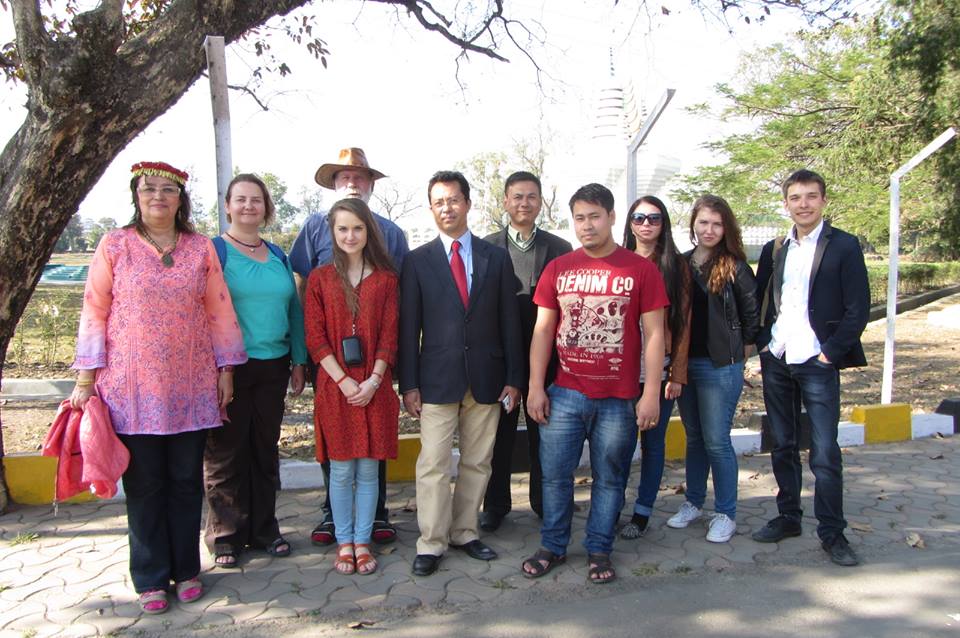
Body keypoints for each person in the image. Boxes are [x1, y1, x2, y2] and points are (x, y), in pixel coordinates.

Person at [70, 161, 247, 615]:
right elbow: (94, 310)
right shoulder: (115, 245)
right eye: (149, 189)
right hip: (131, 390)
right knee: (146, 484)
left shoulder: (199, 248)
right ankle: (150, 578)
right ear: (136, 195)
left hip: (190, 386)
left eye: (168, 190)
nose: (158, 197)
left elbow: (219, 310)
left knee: (187, 482)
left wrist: (226, 368)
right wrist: (86, 378)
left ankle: (187, 570)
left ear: (180, 199)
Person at [522, 183, 668, 584]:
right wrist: (537, 386)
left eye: (594, 217)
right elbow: (542, 331)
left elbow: (655, 334)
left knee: (610, 477)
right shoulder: (559, 268)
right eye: (580, 218)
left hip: (619, 399)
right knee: (554, 476)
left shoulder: (641, 269)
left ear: (611, 217)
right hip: (565, 392)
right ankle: (553, 544)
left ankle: (599, 548)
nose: (587, 226)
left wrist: (650, 392)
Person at [398, 170, 523, 577]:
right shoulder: (417, 262)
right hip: (436, 379)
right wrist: (409, 383)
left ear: (467, 203)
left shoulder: (496, 258)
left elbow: (510, 322)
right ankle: (431, 542)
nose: (447, 207)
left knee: (477, 461)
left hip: (487, 378)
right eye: (438, 202)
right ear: (431, 208)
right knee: (433, 463)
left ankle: (465, 532)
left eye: (453, 199)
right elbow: (409, 327)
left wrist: (515, 378)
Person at [289, 147, 409, 546]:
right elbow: (305, 298)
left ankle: (372, 523)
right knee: (339, 464)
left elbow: (393, 321)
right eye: (345, 177)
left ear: (371, 186)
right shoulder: (313, 231)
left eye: (360, 177)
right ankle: (335, 523)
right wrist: (317, 366)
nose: (352, 183)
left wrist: (378, 378)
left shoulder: (392, 239)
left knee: (370, 463)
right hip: (333, 372)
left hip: (373, 371)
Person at [752, 170, 870, 567]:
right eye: (796, 197)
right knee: (782, 443)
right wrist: (765, 343)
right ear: (785, 203)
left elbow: (858, 308)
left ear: (823, 201)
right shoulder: (775, 248)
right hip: (779, 357)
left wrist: (829, 353)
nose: (803, 203)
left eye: (811, 196)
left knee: (823, 451)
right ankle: (789, 517)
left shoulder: (845, 246)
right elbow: (762, 298)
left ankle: (833, 533)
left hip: (817, 361)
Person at [203, 174, 307, 568]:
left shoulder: (279, 256)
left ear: (266, 208)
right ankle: (225, 534)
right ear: (228, 206)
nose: (249, 206)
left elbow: (293, 311)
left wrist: (298, 360)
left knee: (264, 450)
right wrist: (218, 366)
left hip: (274, 366)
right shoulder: (215, 252)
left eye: (256, 200)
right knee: (225, 452)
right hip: (229, 368)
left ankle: (265, 528)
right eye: (241, 200)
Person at [304, 198, 400, 576]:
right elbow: (315, 337)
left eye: (357, 228)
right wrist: (344, 381)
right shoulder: (320, 279)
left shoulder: (386, 279)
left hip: (374, 389)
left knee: (369, 471)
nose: (350, 235)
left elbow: (390, 337)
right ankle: (344, 541)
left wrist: (375, 380)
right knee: (342, 471)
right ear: (332, 232)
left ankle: (363, 541)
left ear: (368, 232)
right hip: (336, 388)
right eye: (342, 228)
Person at [480, 171, 572, 531]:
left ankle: (543, 502)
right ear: (505, 201)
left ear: (540, 203)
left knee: (543, 435)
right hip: (500, 359)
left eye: (531, 197)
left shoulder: (560, 249)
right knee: (497, 436)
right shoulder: (486, 248)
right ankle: (496, 505)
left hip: (546, 359)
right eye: (517, 197)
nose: (524, 203)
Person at [666, 194, 758, 544]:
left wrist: (741, 354)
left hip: (720, 367)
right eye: (703, 223)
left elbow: (752, 319)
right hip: (684, 365)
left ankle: (726, 513)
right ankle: (693, 502)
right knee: (694, 439)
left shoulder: (734, 266)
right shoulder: (681, 264)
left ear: (726, 228)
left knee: (717, 441)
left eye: (716, 224)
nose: (709, 230)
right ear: (693, 225)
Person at [619, 195, 692, 539]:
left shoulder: (676, 266)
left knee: (653, 444)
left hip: (658, 372)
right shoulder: (616, 261)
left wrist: (676, 373)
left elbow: (684, 323)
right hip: (618, 371)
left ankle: (642, 512)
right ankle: (612, 505)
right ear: (629, 222)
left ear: (664, 224)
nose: (646, 224)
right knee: (617, 444)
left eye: (654, 218)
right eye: (639, 217)